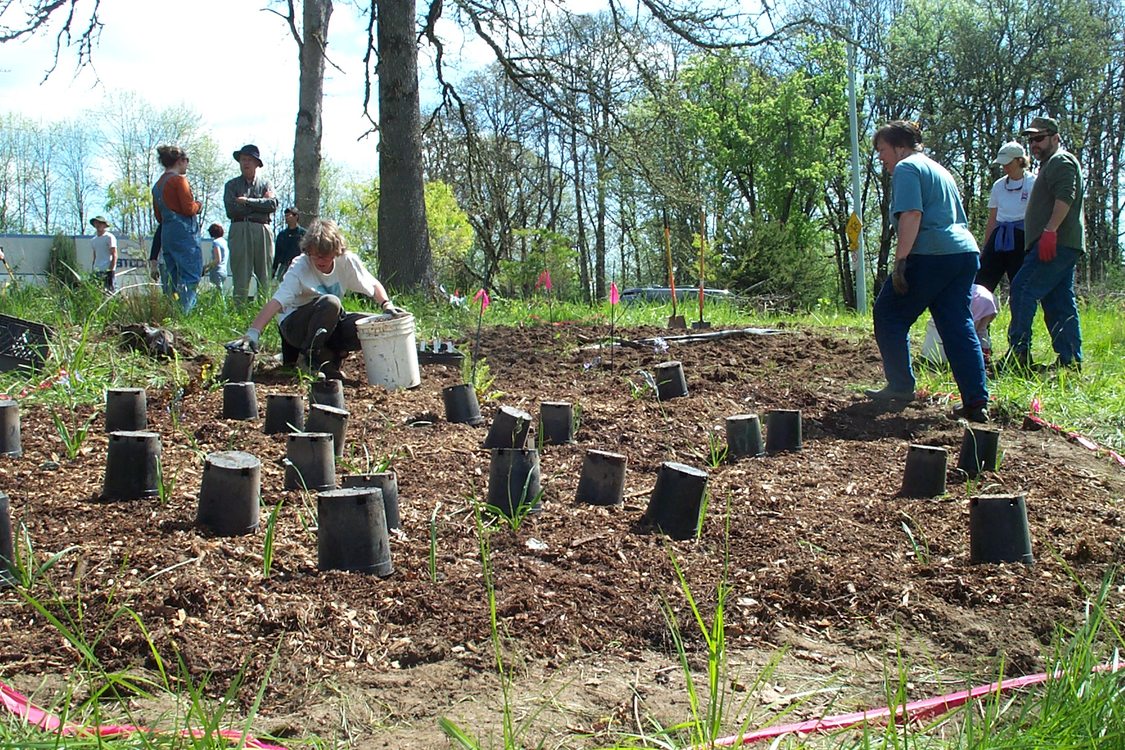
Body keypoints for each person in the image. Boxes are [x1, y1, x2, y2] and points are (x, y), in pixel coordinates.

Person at [866, 120, 990, 423]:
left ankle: (900, 385)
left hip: (931, 254)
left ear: (899, 146)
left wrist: (901, 261)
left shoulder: (907, 168)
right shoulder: (939, 169)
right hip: (963, 253)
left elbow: (911, 214)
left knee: (889, 314)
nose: (881, 159)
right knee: (957, 324)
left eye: (882, 151)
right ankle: (976, 401)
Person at [230, 218, 407, 380]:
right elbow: (277, 301)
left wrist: (386, 305)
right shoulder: (300, 266)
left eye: (326, 255)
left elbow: (372, 284)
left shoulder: (347, 261)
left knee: (370, 325)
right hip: (296, 326)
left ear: (337, 251)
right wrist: (253, 333)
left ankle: (330, 359)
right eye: (316, 255)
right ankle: (308, 359)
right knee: (331, 303)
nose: (321, 260)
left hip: (328, 325)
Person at [1001, 116, 1084, 372]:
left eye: (1039, 138)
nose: (1034, 144)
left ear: (1055, 137)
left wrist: (1049, 231)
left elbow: (1065, 196)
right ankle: (1070, 361)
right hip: (1060, 242)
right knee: (1058, 301)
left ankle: (1019, 356)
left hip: (1055, 242)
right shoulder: (1049, 165)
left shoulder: (1061, 161)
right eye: (1031, 140)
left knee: (1023, 289)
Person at [152, 144, 204, 312]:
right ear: (180, 161)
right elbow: (189, 208)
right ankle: (185, 314)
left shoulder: (157, 185)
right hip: (184, 234)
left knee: (172, 278)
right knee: (190, 276)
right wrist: (199, 205)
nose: (187, 164)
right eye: (186, 161)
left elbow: (159, 217)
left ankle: (171, 312)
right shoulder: (179, 180)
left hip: (167, 233)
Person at [223, 144, 278, 303]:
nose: (245, 163)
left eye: (249, 160)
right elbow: (231, 211)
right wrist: (260, 205)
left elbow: (272, 205)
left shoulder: (266, 184)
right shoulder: (231, 185)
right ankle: (240, 312)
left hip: (262, 230)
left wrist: (247, 202)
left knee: (264, 275)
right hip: (239, 229)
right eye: (242, 160)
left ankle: (264, 311)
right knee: (240, 274)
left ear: (256, 163)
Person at [978, 141, 1036, 291]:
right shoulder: (998, 185)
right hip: (999, 236)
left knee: (1019, 284)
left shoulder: (1033, 182)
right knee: (981, 281)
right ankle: (978, 312)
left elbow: (1038, 216)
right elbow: (993, 218)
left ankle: (1018, 314)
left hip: (1022, 236)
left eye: (1008, 163)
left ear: (1019, 161)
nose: (1005, 167)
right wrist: (986, 247)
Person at [921, 284, 998, 367]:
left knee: (967, 332)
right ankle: (983, 355)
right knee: (979, 330)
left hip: (973, 299)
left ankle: (976, 358)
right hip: (988, 300)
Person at [273, 206, 306, 280]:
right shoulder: (282, 234)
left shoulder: (304, 234)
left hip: (300, 266)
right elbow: (277, 254)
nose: (286, 218)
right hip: (284, 268)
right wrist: (274, 269)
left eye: (288, 215)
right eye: (285, 216)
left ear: (296, 216)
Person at [89, 216, 117, 291]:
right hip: (97, 270)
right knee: (97, 292)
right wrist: (93, 269)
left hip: (107, 269)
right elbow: (95, 256)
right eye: (96, 223)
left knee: (109, 291)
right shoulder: (93, 240)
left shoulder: (109, 237)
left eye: (100, 223)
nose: (98, 225)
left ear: (104, 225)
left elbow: (114, 254)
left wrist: (110, 270)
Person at [206, 223, 229, 291]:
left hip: (217, 272)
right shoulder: (224, 242)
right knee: (216, 293)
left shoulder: (216, 242)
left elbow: (217, 260)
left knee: (217, 294)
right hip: (224, 271)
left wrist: (205, 266)